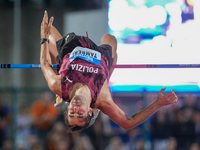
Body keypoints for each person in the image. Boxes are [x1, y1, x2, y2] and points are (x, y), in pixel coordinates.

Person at [40, 10, 178, 132]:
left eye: (71, 114)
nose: (75, 110)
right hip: (100, 57)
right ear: (89, 112)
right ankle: (107, 78)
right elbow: (128, 123)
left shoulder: (58, 85)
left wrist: (44, 39)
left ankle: (61, 78)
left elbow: (45, 65)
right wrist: (158, 104)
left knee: (49, 29)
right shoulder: (103, 100)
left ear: (68, 109)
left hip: (72, 50)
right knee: (110, 38)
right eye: (80, 114)